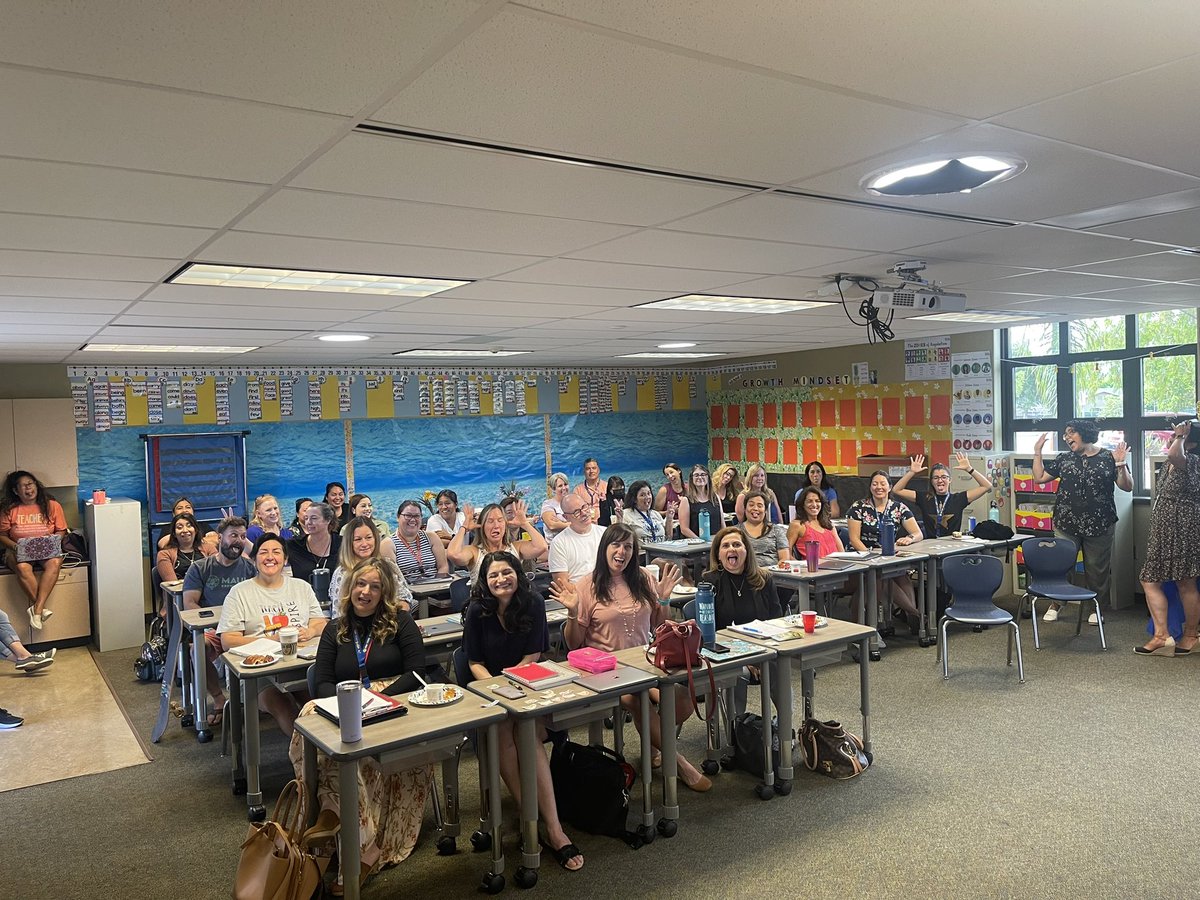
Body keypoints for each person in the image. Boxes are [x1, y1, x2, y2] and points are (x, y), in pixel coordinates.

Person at [289, 558, 429, 885]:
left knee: (358, 753)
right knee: (308, 723)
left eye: (375, 586)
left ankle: (335, 827)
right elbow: (321, 681)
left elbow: (417, 672)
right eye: (360, 584)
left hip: (393, 703)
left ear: (384, 592)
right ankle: (338, 817)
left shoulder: (401, 621)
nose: (365, 592)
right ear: (350, 588)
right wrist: (347, 706)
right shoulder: (334, 628)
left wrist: (379, 701)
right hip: (343, 703)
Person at [552, 525, 709, 790]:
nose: (621, 551)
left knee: (683, 700)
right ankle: (679, 763)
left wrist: (664, 599)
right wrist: (572, 612)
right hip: (604, 670)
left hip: (644, 662)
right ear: (604, 549)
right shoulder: (587, 585)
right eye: (616, 545)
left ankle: (653, 742)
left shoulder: (644, 578)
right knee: (637, 701)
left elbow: (660, 626)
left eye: (628, 546)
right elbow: (573, 643)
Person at [463, 551, 583, 872]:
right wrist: (497, 691)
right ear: (485, 582)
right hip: (489, 692)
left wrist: (513, 688)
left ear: (517, 573)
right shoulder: (477, 611)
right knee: (503, 729)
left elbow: (533, 654)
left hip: (528, 686)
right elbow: (473, 662)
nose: (501, 580)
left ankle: (553, 828)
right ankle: (533, 817)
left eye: (507, 572)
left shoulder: (532, 603)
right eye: (493, 576)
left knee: (525, 729)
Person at [218, 533, 327, 735]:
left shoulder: (301, 587)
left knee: (319, 701)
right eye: (263, 552)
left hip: (298, 666)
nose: (270, 557)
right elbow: (228, 641)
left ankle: (326, 754)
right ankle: (305, 759)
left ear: (285, 559)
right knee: (284, 706)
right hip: (257, 674)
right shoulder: (239, 592)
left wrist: (310, 630)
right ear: (254, 559)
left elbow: (320, 622)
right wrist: (272, 639)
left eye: (276, 552)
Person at [1033, 420, 1132, 624]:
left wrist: (1121, 464)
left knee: (1097, 569)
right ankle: (1057, 603)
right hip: (1066, 522)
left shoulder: (1108, 457)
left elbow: (1127, 487)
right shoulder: (1065, 459)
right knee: (1062, 565)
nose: (1067, 437)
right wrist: (1037, 453)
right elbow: (1039, 478)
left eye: (1071, 433)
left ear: (1085, 433)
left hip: (1100, 522)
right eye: (1065, 434)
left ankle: (1096, 608)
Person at [182, 516, 255, 727]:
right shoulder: (200, 568)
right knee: (197, 649)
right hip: (213, 629)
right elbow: (190, 604)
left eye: (243, 536)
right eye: (233, 535)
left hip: (244, 628)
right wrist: (220, 626)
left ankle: (257, 698)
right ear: (220, 538)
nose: (238, 541)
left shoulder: (250, 569)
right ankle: (218, 698)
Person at [703, 525, 784, 714]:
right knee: (738, 672)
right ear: (718, 555)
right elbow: (709, 633)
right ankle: (736, 729)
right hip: (726, 654)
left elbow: (777, 622)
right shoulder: (710, 582)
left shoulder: (764, 579)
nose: (731, 549)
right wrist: (743, 658)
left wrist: (760, 655)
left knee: (779, 669)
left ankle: (785, 729)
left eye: (737, 544)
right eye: (725, 546)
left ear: (746, 551)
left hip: (765, 649)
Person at [1137, 420, 1200, 656]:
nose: (1172, 437)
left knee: (1186, 582)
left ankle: (1191, 635)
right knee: (1150, 579)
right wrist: (1179, 438)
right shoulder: (1170, 462)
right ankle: (1162, 635)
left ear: (1190, 441)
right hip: (1163, 529)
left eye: (1179, 434)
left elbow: (1175, 453)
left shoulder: (1192, 461)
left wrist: (1180, 437)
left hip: (1184, 528)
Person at [847, 471, 923, 620]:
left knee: (903, 575)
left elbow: (918, 533)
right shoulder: (858, 507)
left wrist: (909, 538)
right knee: (882, 577)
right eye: (875, 484)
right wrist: (872, 557)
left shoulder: (898, 508)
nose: (878, 487)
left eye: (883, 484)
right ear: (870, 487)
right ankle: (916, 615)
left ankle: (912, 619)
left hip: (888, 557)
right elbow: (854, 539)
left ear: (890, 487)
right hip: (863, 559)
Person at [0, 470, 69, 630]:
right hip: (17, 549)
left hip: (46, 549)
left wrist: (53, 541)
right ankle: (40, 608)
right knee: (22, 567)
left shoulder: (52, 505)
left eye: (30, 484)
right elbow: (2, 535)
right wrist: (16, 546)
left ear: (36, 485)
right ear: (16, 491)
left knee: (54, 562)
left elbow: (61, 530)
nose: (28, 488)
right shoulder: (8, 509)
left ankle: (36, 609)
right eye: (23, 486)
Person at [889, 452, 993, 538]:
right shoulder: (924, 498)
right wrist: (911, 472)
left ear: (950, 480)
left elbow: (987, 486)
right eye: (936, 478)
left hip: (952, 546)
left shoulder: (958, 499)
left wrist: (969, 469)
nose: (940, 480)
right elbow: (896, 490)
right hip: (930, 545)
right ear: (931, 481)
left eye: (944, 477)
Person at [330, 516, 412, 615]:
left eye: (369, 538)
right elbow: (339, 612)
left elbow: (404, 598)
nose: (364, 544)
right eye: (358, 539)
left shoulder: (389, 566)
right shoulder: (342, 573)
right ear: (349, 543)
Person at [448, 501, 547, 581]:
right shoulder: (474, 551)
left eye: (500, 520)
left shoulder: (516, 547)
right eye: (490, 521)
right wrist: (464, 528)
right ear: (482, 526)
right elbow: (453, 554)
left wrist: (524, 523)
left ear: (505, 525)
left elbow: (541, 547)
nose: (496, 526)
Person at [549, 493, 605, 589]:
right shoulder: (559, 543)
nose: (584, 513)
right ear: (566, 517)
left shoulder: (605, 533)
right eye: (576, 512)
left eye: (584, 507)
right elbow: (562, 584)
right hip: (578, 597)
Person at [288, 502, 342, 598]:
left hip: (336, 602)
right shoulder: (294, 546)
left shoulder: (342, 544)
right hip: (304, 602)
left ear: (328, 520)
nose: (308, 522)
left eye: (314, 518)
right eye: (306, 518)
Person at [391, 499, 449, 581]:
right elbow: (393, 578)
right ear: (398, 517)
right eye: (408, 515)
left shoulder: (432, 538)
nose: (412, 519)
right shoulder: (389, 544)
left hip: (436, 587)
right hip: (409, 591)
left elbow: (443, 566)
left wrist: (436, 585)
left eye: (417, 516)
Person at [786, 486, 845, 560]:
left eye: (817, 501)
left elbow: (841, 552)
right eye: (809, 501)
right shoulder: (797, 525)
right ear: (802, 504)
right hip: (812, 569)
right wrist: (799, 567)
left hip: (837, 568)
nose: (814, 505)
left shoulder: (829, 524)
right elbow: (786, 553)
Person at [155, 512, 215, 583]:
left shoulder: (209, 548)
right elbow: (173, 585)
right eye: (179, 527)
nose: (185, 530)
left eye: (189, 526)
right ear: (174, 533)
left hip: (208, 591)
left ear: (195, 530)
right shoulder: (164, 554)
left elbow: (217, 575)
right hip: (180, 592)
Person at [737, 490, 789, 568]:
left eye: (760, 506)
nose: (755, 508)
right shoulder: (736, 531)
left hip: (773, 575)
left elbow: (784, 558)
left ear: (765, 511)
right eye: (751, 505)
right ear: (745, 509)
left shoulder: (776, 530)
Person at [622, 480, 676, 545]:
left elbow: (669, 538)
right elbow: (620, 537)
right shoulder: (626, 514)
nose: (647, 497)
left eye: (648, 493)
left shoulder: (656, 514)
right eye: (642, 495)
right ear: (634, 499)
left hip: (662, 551)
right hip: (642, 553)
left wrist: (669, 519)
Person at [679, 464, 720, 540]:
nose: (700, 477)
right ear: (692, 479)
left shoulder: (715, 497)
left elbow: (722, 524)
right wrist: (700, 541)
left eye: (703, 474)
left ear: (708, 477)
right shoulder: (686, 500)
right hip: (696, 544)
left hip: (716, 542)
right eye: (696, 475)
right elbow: (684, 529)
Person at [540, 473, 571, 541]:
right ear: (553, 489)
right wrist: (573, 524)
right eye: (560, 486)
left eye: (565, 484)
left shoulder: (572, 502)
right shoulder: (548, 504)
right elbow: (552, 525)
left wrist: (560, 523)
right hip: (554, 544)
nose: (564, 488)